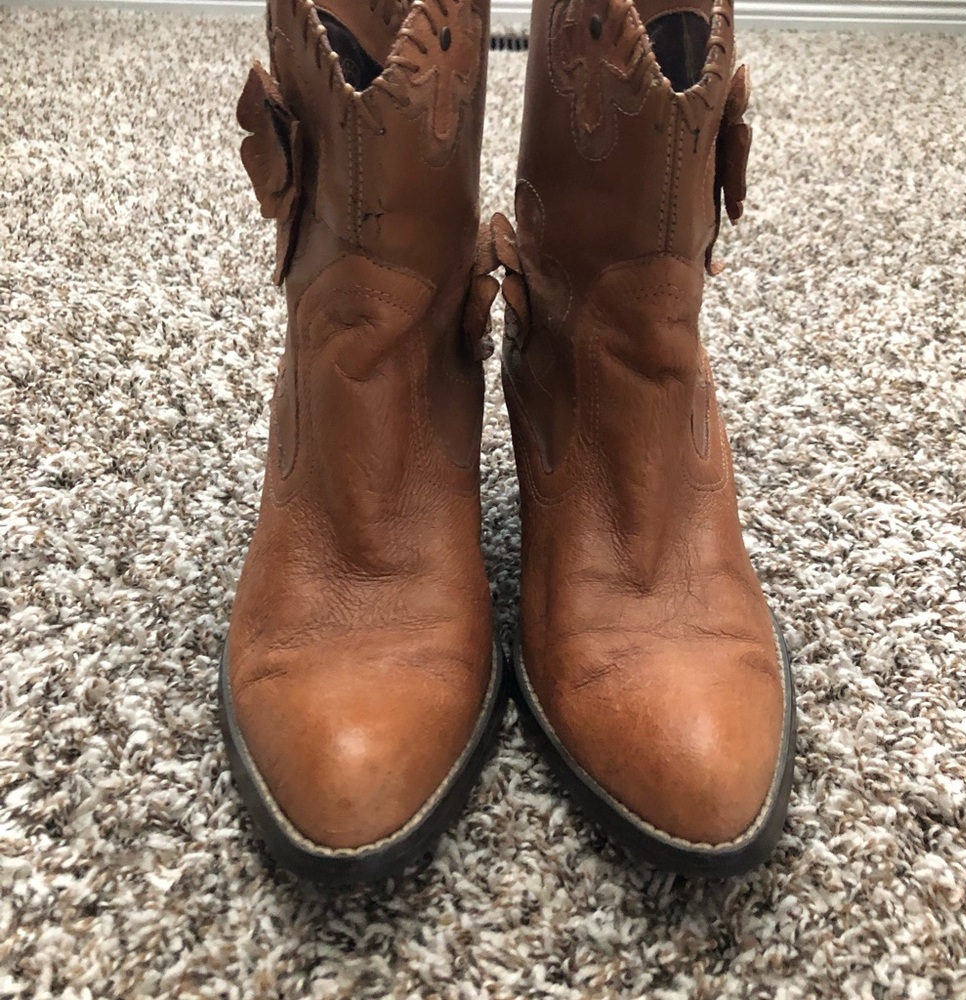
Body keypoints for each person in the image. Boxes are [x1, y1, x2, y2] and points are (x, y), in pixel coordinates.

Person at [220, 0, 794, 884]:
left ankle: (584, 418)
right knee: (364, 318)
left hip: (636, 457)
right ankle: (381, 472)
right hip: (340, 485)